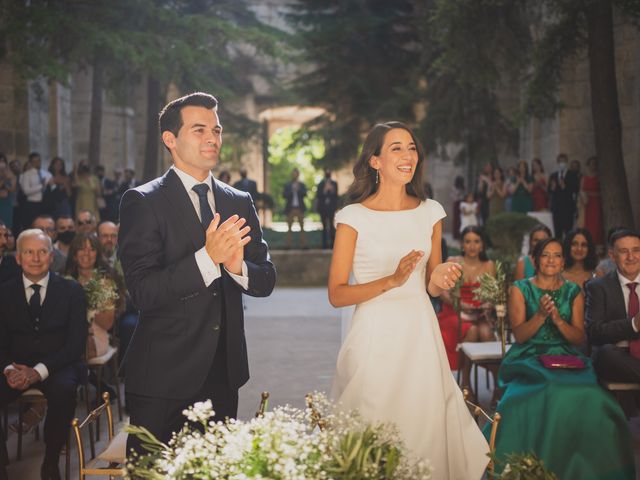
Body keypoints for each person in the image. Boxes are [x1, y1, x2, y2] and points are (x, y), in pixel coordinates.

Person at [118, 92, 276, 454]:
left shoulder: (239, 201)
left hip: (223, 374)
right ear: (170, 140)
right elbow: (142, 291)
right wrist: (207, 259)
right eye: (200, 129)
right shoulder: (143, 201)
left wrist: (236, 266)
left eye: (217, 130)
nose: (212, 138)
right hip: (162, 376)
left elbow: (265, 279)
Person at [328, 122, 488, 477]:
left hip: (420, 333)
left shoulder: (430, 211)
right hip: (374, 335)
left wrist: (440, 277)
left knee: (424, 423)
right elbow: (337, 294)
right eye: (396, 148)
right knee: (373, 420)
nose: (408, 156)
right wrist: (392, 280)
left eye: (412, 147)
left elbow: (431, 285)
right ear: (375, 161)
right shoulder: (353, 217)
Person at [489, 238, 635, 479]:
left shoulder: (573, 291)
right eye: (546, 255)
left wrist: (557, 319)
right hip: (529, 355)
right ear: (535, 260)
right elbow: (521, 336)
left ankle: (589, 466)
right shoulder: (520, 288)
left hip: (566, 355)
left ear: (563, 261)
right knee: (550, 389)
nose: (551, 260)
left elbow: (578, 338)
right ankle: (536, 463)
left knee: (593, 397)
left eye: (557, 256)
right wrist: (540, 315)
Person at [0, 229, 87, 480]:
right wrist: (8, 369)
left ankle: (51, 461)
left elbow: (75, 344)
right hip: (14, 367)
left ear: (51, 256)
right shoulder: (3, 293)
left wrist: (37, 372)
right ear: (18, 258)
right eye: (29, 252)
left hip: (58, 364)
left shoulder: (72, 291)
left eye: (42, 252)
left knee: (65, 391)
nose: (35, 258)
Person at [437, 226, 497, 394]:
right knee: (471, 330)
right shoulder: (453, 261)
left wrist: (487, 305)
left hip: (479, 314)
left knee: (485, 332)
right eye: (468, 241)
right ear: (462, 244)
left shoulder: (488, 265)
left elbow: (491, 294)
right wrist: (460, 305)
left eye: (476, 241)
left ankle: (497, 385)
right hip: (453, 312)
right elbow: (441, 290)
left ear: (482, 245)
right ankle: (466, 383)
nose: (472, 246)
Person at [586, 229, 640, 385]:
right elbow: (594, 333)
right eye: (624, 251)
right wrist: (634, 325)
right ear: (612, 255)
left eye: (636, 250)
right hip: (617, 357)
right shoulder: (598, 287)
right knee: (605, 353)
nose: (631, 257)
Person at [65, 233, 122, 360]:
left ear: (97, 254)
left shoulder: (105, 283)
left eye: (92, 250)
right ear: (74, 254)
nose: (86, 254)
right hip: (66, 334)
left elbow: (107, 324)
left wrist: (86, 302)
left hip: (94, 335)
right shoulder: (64, 280)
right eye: (81, 249)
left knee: (75, 349)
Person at [19, 152, 53, 231]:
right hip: (32, 204)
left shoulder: (46, 174)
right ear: (31, 163)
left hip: (44, 204)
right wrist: (41, 186)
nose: (37, 163)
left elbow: (52, 187)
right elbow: (26, 191)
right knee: (32, 226)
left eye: (39, 160)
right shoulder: (26, 175)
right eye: (35, 161)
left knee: (45, 225)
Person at [548, 153, 579, 239]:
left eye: (564, 161)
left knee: (568, 232)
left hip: (568, 208)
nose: (562, 163)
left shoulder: (572, 175)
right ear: (557, 162)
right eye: (560, 161)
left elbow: (576, 189)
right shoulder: (553, 176)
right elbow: (549, 191)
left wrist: (565, 187)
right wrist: (552, 188)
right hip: (556, 208)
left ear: (566, 162)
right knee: (557, 232)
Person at [578, 156, 603, 245]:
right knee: (586, 223)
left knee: (596, 224)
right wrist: (583, 196)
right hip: (586, 204)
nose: (593, 166)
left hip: (596, 202)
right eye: (591, 164)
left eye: (594, 164)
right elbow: (581, 189)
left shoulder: (599, 177)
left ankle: (597, 245)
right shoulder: (584, 178)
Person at [283, 168, 307, 248]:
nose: (295, 175)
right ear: (292, 175)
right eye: (293, 174)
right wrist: (292, 190)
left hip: (300, 208)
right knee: (289, 229)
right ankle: (288, 245)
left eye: (296, 174)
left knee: (302, 228)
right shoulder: (288, 185)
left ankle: (303, 245)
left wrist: (298, 189)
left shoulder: (301, 185)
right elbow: (284, 195)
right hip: (290, 209)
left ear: (298, 175)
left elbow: (305, 194)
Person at [315, 167, 339, 249]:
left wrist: (331, 190)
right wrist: (324, 190)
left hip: (331, 208)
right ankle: (324, 245)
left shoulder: (334, 183)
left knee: (332, 226)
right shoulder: (321, 184)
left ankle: (333, 244)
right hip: (323, 208)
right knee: (324, 226)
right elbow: (318, 196)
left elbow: (336, 196)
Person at [0, 155, 16, 228]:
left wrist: (11, 178)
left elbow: (13, 189)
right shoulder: (5, 176)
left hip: (7, 202)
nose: (2, 163)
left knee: (7, 225)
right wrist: (4, 179)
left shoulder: (10, 173)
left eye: (3, 161)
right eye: (0, 161)